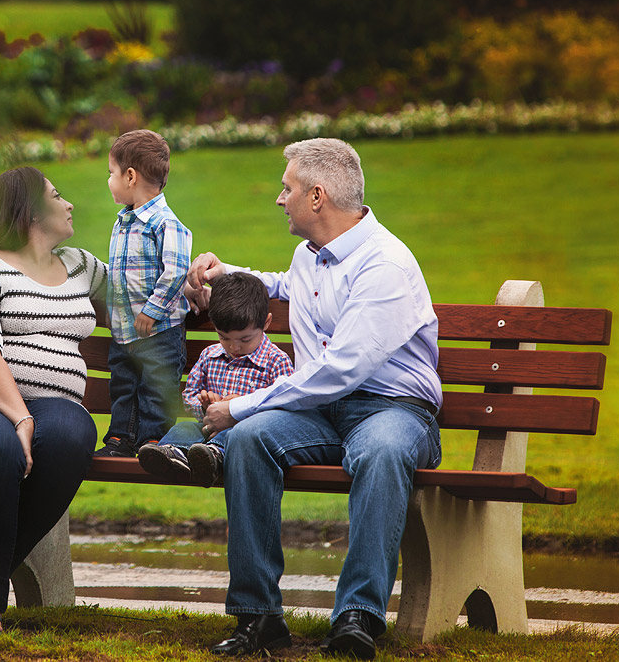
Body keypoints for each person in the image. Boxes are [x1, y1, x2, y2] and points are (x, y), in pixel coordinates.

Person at [186, 138, 442, 660]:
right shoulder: (312, 255)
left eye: (288, 188)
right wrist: (224, 276)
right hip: (325, 412)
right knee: (253, 440)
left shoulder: (385, 264)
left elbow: (340, 370)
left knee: (381, 450)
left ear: (318, 196)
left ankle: (357, 616)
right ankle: (259, 617)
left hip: (392, 410)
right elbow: (286, 285)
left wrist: (238, 406)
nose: (280, 199)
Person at [0, 166, 107, 637]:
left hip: (58, 405)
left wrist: (198, 280)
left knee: (73, 437)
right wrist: (21, 417)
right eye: (57, 195)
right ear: (28, 211)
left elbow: (141, 297)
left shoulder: (80, 265)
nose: (69, 204)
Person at [137, 272, 293, 487]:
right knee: (184, 429)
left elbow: (285, 409)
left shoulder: (276, 361)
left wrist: (243, 407)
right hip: (205, 427)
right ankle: (171, 454)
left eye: (245, 339)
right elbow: (190, 394)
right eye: (224, 337)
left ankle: (212, 457)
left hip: (245, 435)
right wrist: (204, 406)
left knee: (233, 435)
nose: (234, 347)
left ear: (265, 322)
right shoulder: (210, 355)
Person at [95, 129, 193, 458]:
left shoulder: (166, 224)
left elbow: (177, 270)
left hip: (159, 331)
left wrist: (152, 310)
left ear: (131, 176)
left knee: (154, 385)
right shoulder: (124, 222)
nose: (109, 180)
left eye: (111, 173)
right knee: (124, 383)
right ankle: (121, 437)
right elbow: (121, 273)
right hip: (125, 331)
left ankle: (153, 440)